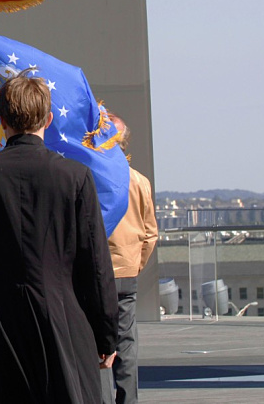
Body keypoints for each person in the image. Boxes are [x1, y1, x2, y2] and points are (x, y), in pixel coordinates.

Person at [0, 73, 118, 403]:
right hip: (63, 322)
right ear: (49, 119)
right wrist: (106, 335)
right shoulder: (75, 176)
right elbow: (95, 266)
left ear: (1, 121)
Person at [101, 113, 158, 404]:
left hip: (97, 274)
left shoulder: (92, 176)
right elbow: (150, 234)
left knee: (96, 347)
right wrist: (134, 263)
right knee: (126, 347)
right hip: (126, 274)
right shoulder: (140, 181)